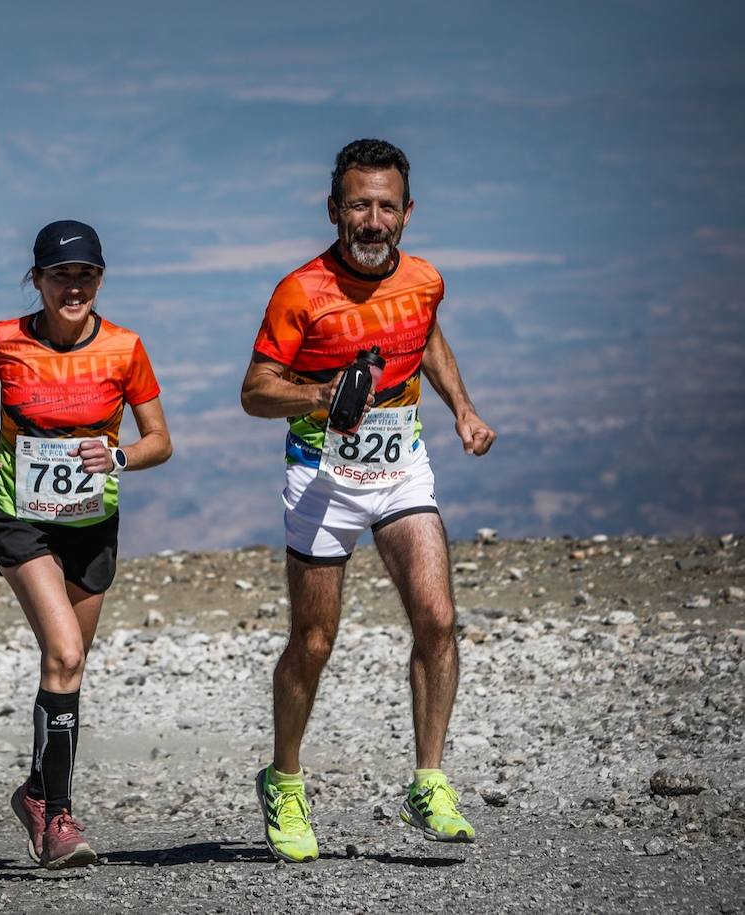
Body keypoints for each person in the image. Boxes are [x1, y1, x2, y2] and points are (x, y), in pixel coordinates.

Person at [240, 139, 497, 863]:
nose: (373, 219)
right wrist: (323, 394)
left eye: (387, 205)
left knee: (438, 617)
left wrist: (463, 411)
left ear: (408, 212)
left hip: (400, 468)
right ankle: (285, 779)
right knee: (315, 642)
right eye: (359, 204)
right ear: (334, 210)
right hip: (321, 477)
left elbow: (428, 339)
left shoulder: (423, 279)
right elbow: (255, 390)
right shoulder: (301, 291)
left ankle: (429, 780)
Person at [0, 220, 172, 869]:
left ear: (101, 278)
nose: (73, 285)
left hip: (92, 522)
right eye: (60, 275)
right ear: (39, 280)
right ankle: (58, 819)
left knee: (70, 669)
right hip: (19, 513)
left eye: (85, 274)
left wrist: (119, 455)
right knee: (63, 650)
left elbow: (159, 439)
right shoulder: (5, 339)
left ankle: (35, 791)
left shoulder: (125, 348)